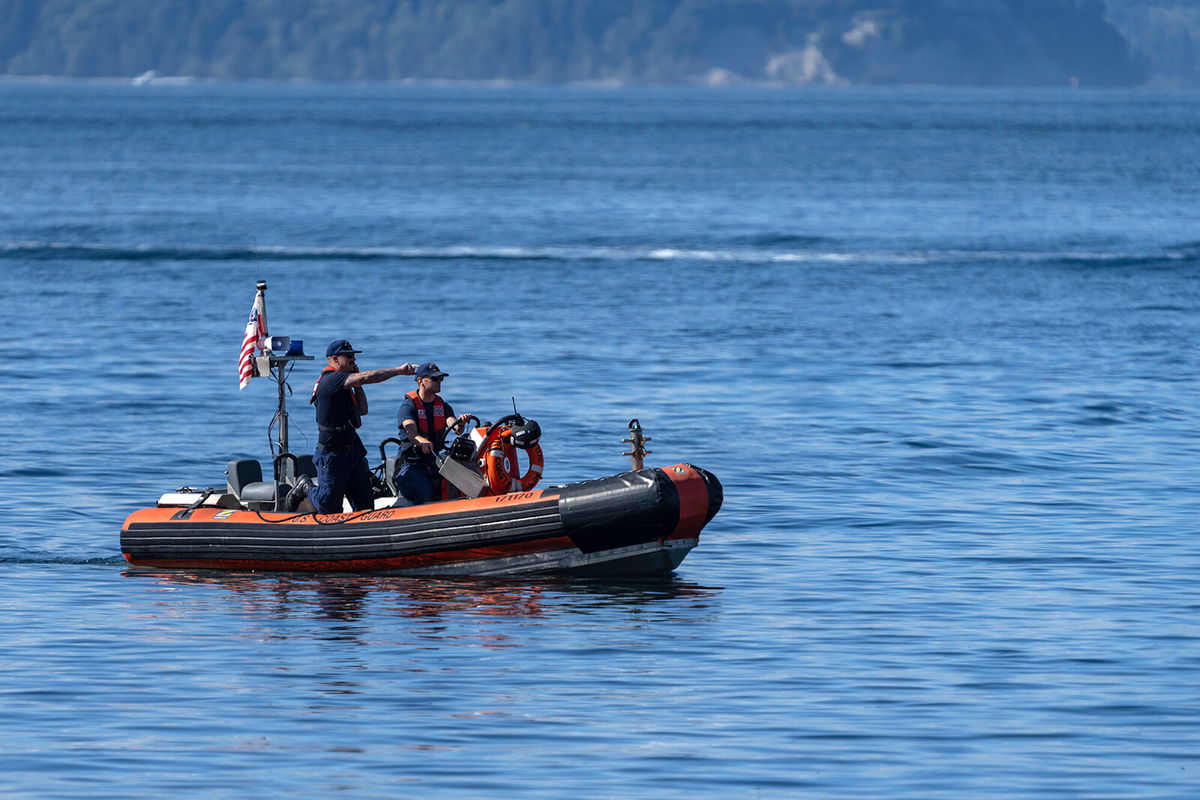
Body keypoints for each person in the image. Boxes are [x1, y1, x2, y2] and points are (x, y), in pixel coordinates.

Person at [287, 339, 415, 513]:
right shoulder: (331, 379)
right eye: (348, 356)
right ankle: (306, 487)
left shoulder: (345, 385)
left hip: (352, 450)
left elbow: (363, 410)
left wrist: (358, 386)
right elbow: (366, 377)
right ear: (335, 359)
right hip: (331, 453)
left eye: (353, 356)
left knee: (364, 505)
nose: (353, 360)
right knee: (328, 505)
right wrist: (398, 371)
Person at [395, 362, 469, 505]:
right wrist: (422, 441)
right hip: (411, 465)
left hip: (434, 463)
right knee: (425, 492)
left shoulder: (442, 406)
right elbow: (411, 432)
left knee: (460, 485)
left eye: (441, 379)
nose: (439, 382)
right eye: (434, 379)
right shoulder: (408, 406)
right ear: (420, 381)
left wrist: (460, 423)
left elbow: (455, 428)